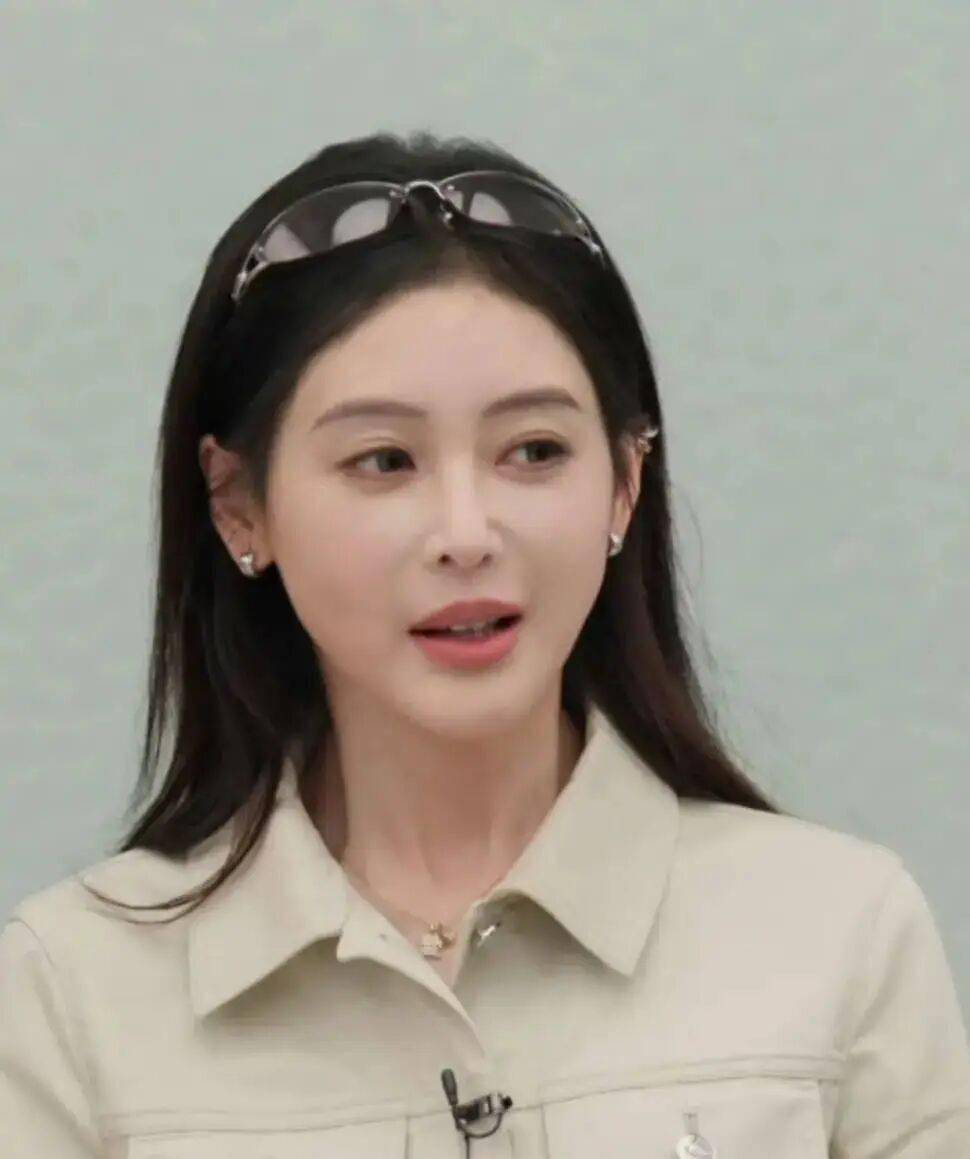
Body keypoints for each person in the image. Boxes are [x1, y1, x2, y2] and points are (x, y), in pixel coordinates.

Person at [2, 130, 968, 1158]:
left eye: (534, 450)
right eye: (384, 460)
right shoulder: (74, 991)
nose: (466, 534)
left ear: (625, 482)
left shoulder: (839, 932)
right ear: (240, 504)